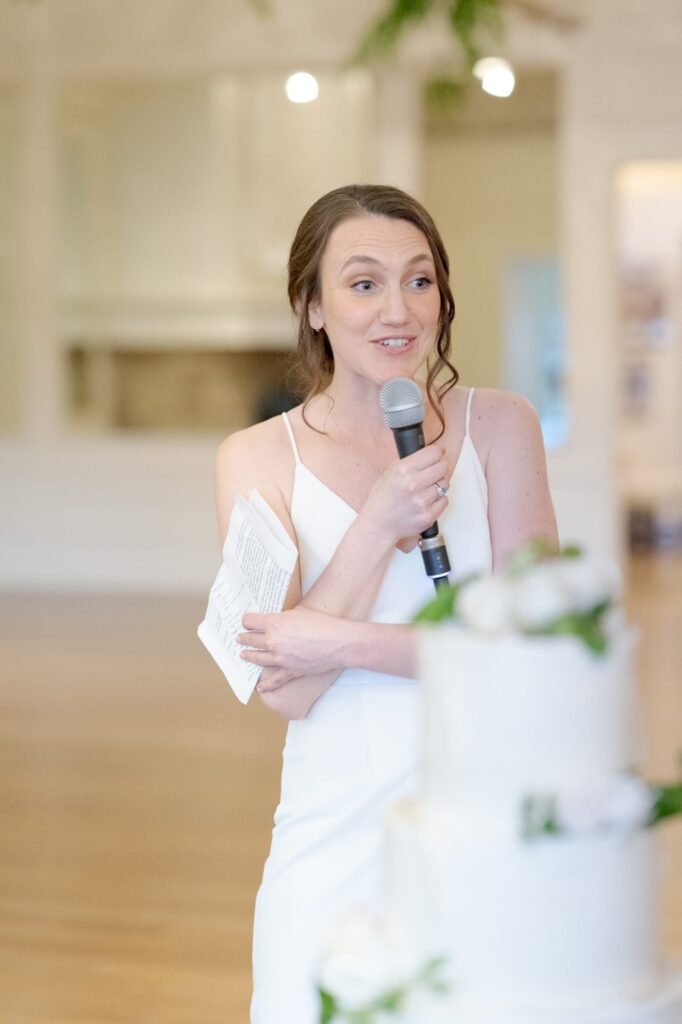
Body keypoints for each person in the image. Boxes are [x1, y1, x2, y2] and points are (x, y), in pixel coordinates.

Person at [212, 184, 558, 1023]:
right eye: (363, 283)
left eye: (419, 280)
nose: (397, 309)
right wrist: (377, 525)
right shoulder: (255, 458)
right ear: (314, 306)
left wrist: (341, 643)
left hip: (485, 821)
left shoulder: (500, 428)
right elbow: (284, 690)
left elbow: (539, 653)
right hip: (331, 833)